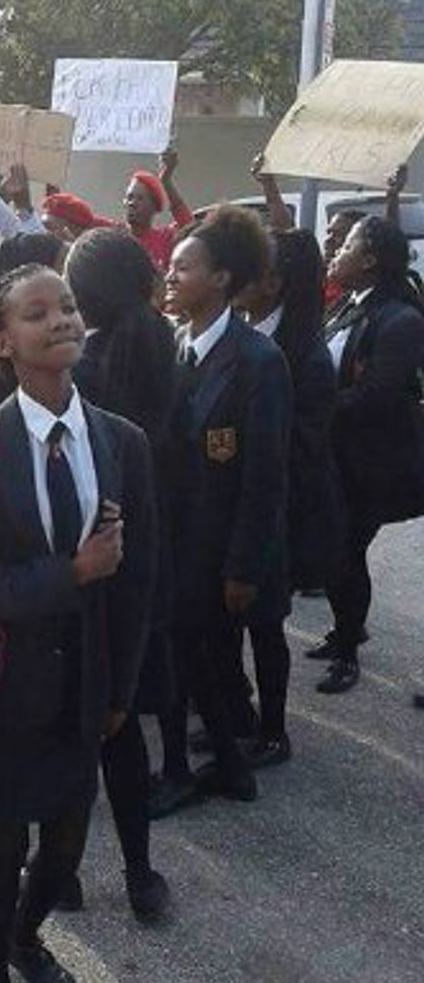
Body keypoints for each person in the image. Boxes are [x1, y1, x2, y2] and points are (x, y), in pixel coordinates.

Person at [0, 264, 156, 983]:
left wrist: (121, 688)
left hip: (85, 685)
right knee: (3, 848)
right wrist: (70, 573)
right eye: (37, 312)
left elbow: (139, 579)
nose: (60, 320)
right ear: (1, 342)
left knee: (64, 848)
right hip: (0, 685)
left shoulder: (121, 442)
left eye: (67, 307)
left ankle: (27, 938)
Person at [151, 206, 292, 818]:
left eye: (185, 267)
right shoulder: (176, 345)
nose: (171, 275)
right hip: (179, 543)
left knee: (194, 656)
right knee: (191, 655)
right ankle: (227, 770)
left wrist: (243, 567)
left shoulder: (259, 362)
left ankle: (188, 770)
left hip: (220, 549)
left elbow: (265, 478)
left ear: (223, 279)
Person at [64, 232, 175, 913]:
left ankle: (63, 873)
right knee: (122, 727)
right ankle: (140, 874)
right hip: (138, 571)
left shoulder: (84, 366)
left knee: (71, 736)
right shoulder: (163, 346)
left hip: (82, 567)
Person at [228, 227, 342, 761]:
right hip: (236, 502)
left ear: (274, 283)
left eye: (254, 268)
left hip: (279, 508)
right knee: (230, 623)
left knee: (266, 625)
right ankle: (236, 711)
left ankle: (273, 732)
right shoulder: (245, 331)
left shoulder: (302, 355)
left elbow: (303, 445)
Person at [308, 217, 424, 693]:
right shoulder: (346, 310)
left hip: (373, 463)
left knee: (346, 550)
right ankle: (344, 632)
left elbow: (378, 393)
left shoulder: (400, 319)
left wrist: (313, 410)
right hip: (339, 457)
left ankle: (349, 651)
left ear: (371, 260)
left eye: (347, 244)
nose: (335, 251)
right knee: (339, 550)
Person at [120, 148, 192, 272]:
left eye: (140, 198)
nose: (132, 203)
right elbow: (82, 217)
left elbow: (189, 225)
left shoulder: (165, 238)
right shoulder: (113, 236)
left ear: (155, 207)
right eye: (129, 197)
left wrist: (166, 181)